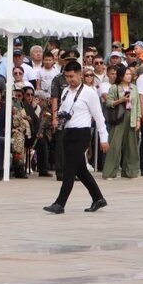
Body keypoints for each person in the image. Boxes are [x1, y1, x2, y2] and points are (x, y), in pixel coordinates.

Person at [43, 60, 109, 213]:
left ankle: (60, 203)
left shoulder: (89, 93)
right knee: (81, 170)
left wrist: (104, 138)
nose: (69, 79)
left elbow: (99, 117)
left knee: (69, 170)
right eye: (66, 76)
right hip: (68, 131)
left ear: (80, 74)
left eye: (72, 76)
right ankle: (98, 198)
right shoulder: (66, 91)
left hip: (82, 133)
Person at [102, 63, 143, 179]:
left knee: (132, 146)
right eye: (126, 74)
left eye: (130, 74)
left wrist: (138, 120)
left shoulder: (134, 88)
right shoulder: (114, 88)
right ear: (121, 76)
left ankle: (131, 171)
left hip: (132, 116)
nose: (129, 76)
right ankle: (110, 172)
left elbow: (137, 105)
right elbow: (109, 103)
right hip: (119, 116)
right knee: (115, 145)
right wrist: (120, 100)